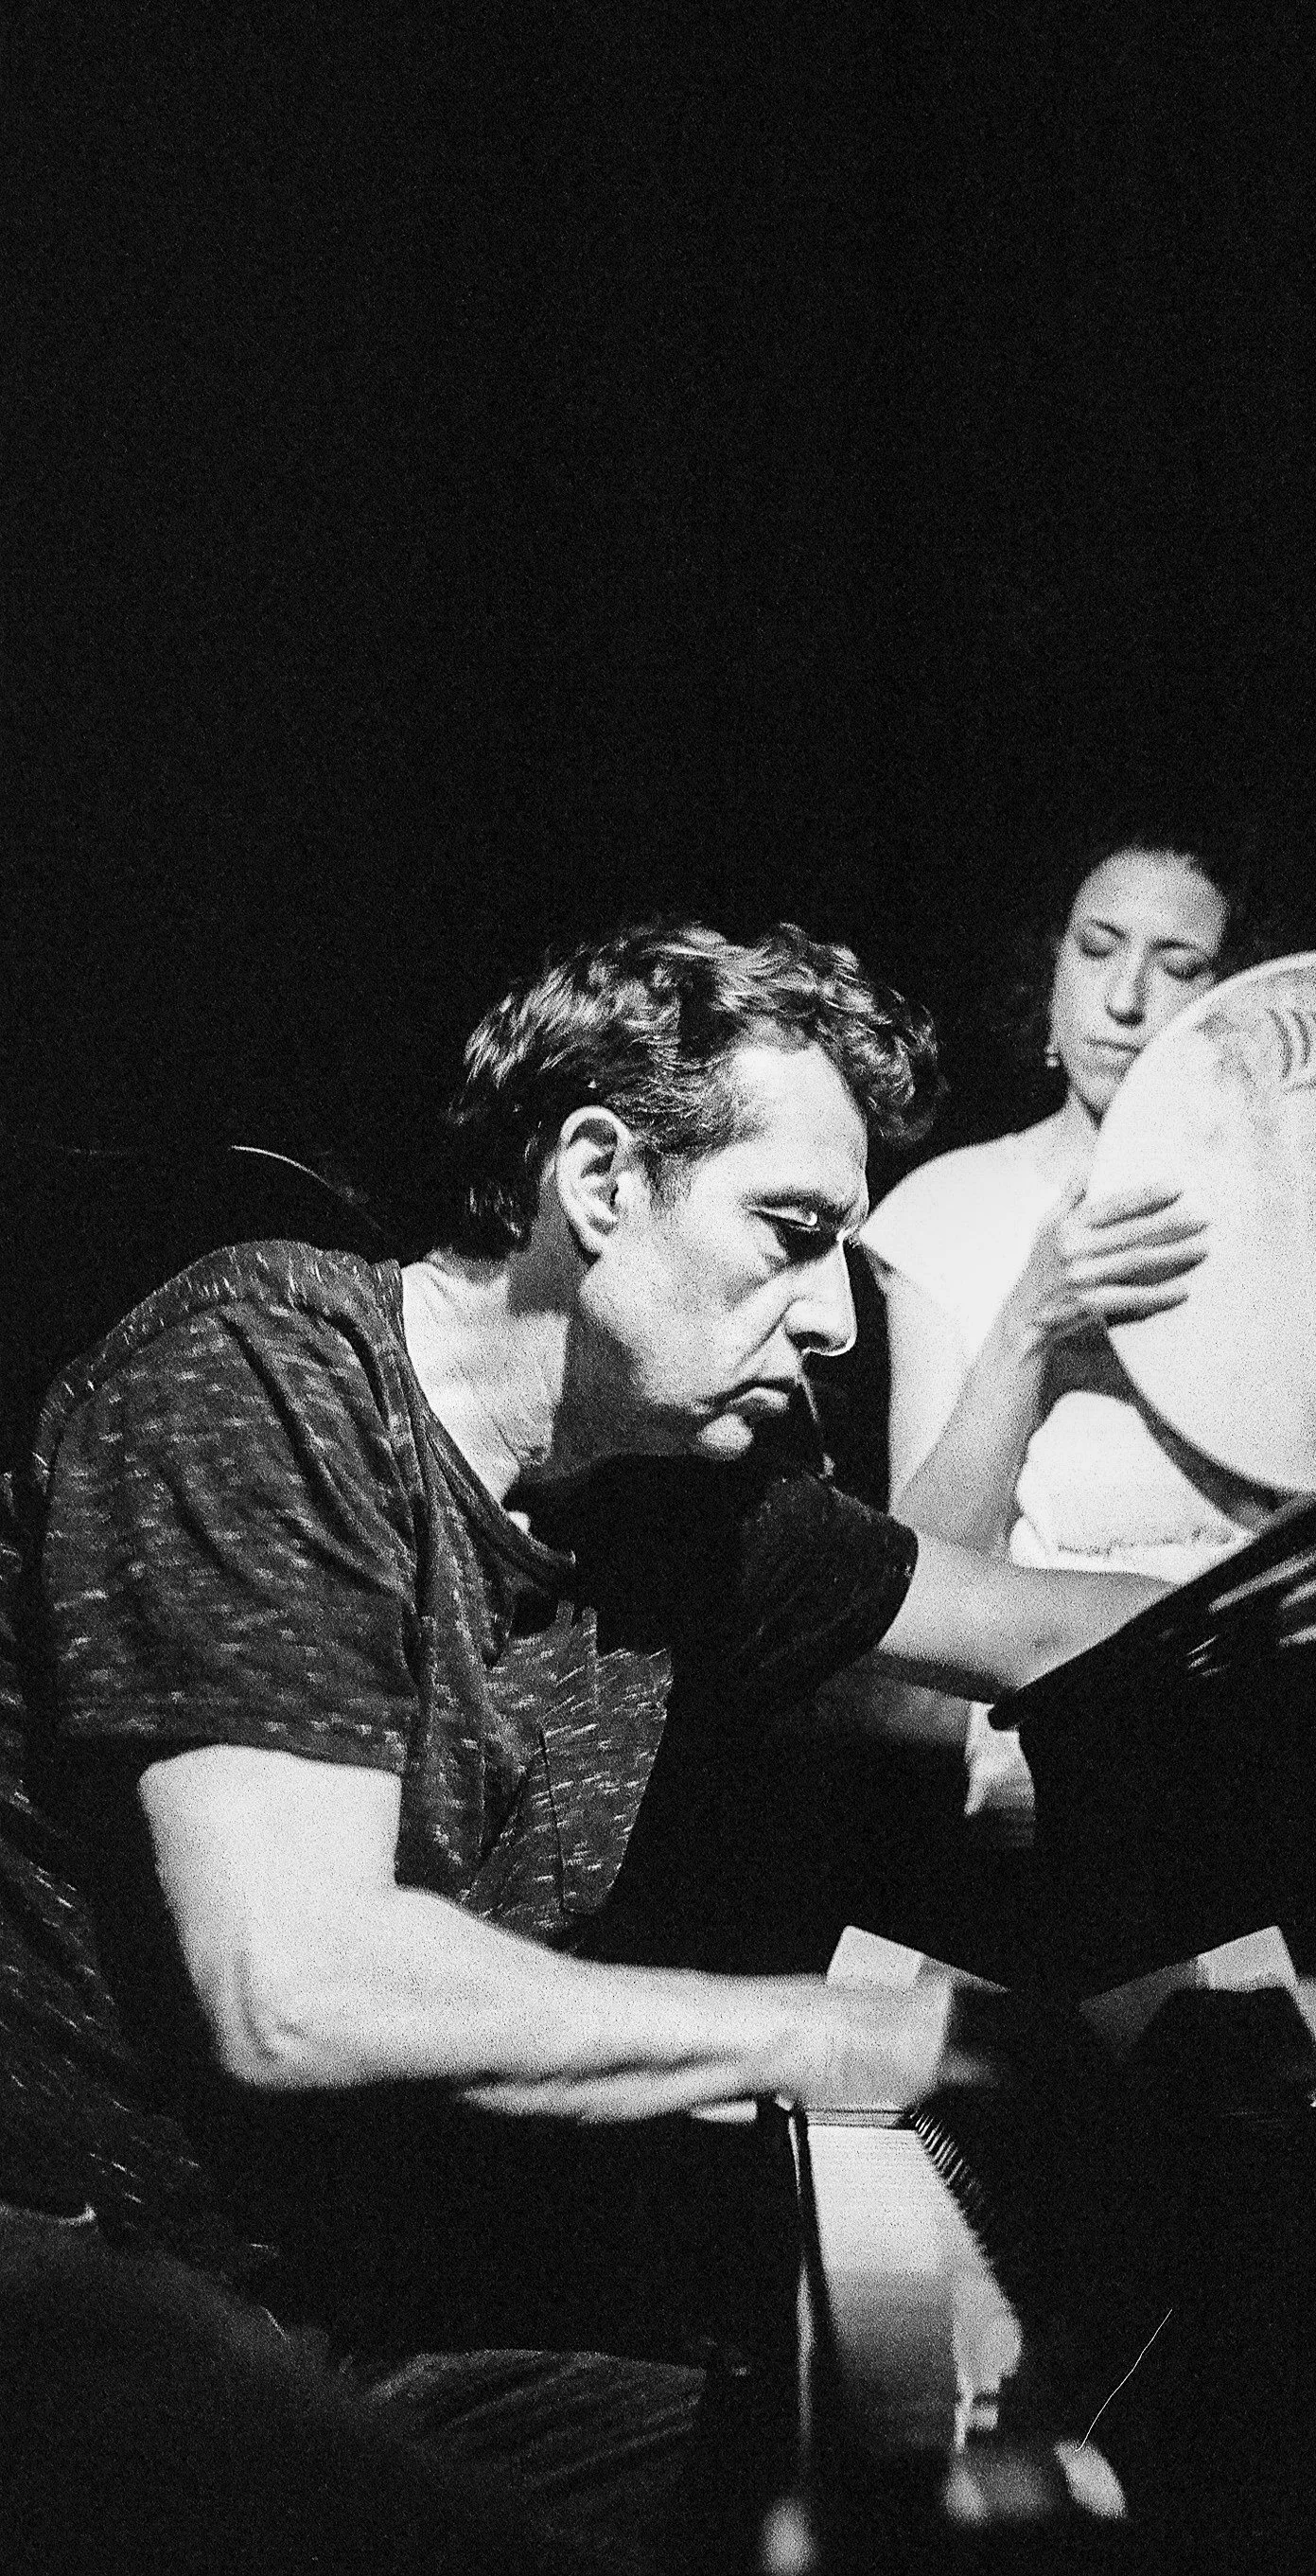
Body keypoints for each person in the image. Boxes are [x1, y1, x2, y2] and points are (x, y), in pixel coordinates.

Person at [0, 918, 1175, 2568]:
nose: (834, 1314)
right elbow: (295, 1985)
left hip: (328, 2336)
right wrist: (855, 2040)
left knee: (959, 2519)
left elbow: (1064, 1625)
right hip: (74, 2325)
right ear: (602, 1177)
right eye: (791, 1228)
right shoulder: (269, 1363)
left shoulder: (667, 1497)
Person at [859, 825, 1277, 1833]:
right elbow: (913, 1594)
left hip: (1273, 1760)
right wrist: (1028, 1319)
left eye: (1177, 965)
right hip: (1041, 1781)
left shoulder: (1294, 1217)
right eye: (1096, 949)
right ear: (1048, 969)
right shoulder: (946, 1209)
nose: (1124, 998)